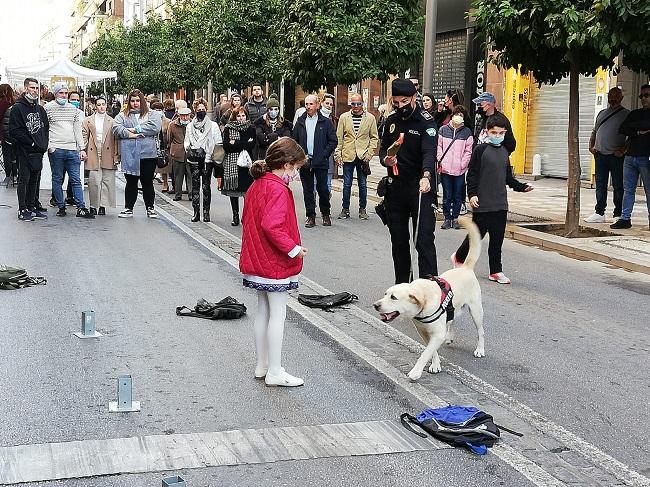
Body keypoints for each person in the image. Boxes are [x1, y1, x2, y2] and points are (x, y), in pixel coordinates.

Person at [239, 137, 308, 387]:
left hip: (256, 259)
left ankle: (263, 364)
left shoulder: (257, 184)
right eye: (297, 168)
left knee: (263, 312)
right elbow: (272, 225)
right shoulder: (279, 189)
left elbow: (250, 219)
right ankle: (275, 370)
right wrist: (293, 249)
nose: (297, 173)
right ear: (287, 165)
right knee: (278, 314)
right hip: (273, 261)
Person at [451, 113, 533, 284]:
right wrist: (472, 195)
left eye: (501, 133)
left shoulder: (504, 152)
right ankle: (458, 257)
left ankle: (495, 271)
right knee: (476, 236)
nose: (498, 136)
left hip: (500, 203)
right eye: (494, 133)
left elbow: (507, 178)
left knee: (497, 240)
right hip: (482, 202)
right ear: (487, 132)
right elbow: (472, 175)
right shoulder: (480, 150)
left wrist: (522, 187)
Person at [379, 78, 438, 284]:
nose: (401, 106)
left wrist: (427, 176)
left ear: (414, 97)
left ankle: (430, 288)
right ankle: (403, 286)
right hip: (396, 188)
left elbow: (429, 152)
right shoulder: (391, 121)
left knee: (423, 241)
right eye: (397, 102)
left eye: (405, 101)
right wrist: (386, 160)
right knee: (399, 241)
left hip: (420, 187)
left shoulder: (426, 121)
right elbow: (383, 150)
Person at [44, 82, 93, 218]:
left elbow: (77, 129)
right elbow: (45, 129)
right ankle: (61, 206)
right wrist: (49, 147)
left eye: (66, 93)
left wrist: (81, 148)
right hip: (56, 148)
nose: (64, 95)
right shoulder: (47, 108)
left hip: (72, 149)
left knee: (76, 180)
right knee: (57, 179)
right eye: (61, 93)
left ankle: (81, 207)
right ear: (55, 94)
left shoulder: (73, 109)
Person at [113, 89, 163, 219]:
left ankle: (150, 208)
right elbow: (116, 128)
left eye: (137, 101)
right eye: (132, 101)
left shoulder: (152, 114)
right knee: (131, 182)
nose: (135, 103)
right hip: (129, 153)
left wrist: (135, 129)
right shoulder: (123, 115)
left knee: (147, 181)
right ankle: (128, 207)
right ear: (129, 102)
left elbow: (155, 127)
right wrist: (132, 135)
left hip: (148, 153)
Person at [584, 87, 629, 223]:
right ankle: (599, 212)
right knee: (600, 184)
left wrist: (623, 150)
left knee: (618, 185)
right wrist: (591, 146)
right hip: (600, 155)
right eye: (611, 95)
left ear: (621, 98)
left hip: (616, 157)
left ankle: (618, 214)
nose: (613, 98)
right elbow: (594, 131)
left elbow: (631, 137)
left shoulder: (626, 114)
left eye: (616, 95)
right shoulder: (602, 113)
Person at [292, 94, 338, 227]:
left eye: (311, 104)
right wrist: (299, 156)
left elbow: (333, 141)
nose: (308, 107)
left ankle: (325, 214)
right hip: (305, 161)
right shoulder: (301, 121)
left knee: (323, 189)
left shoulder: (326, 122)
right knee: (307, 190)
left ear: (317, 105)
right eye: (306, 104)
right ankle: (310, 216)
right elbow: (294, 140)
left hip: (321, 161)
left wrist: (324, 154)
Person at [8, 78, 49, 221]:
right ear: (26, 88)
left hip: (38, 151)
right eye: (32, 88)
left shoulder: (40, 109)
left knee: (35, 180)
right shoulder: (17, 108)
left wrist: (43, 144)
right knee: (24, 179)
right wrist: (30, 143)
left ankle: (32, 207)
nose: (35, 91)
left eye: (37, 88)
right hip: (23, 150)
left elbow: (45, 129)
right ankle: (22, 209)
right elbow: (14, 131)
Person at [334, 92, 379, 220]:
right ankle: (345, 209)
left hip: (363, 155)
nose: (356, 106)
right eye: (353, 104)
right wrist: (338, 154)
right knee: (347, 184)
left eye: (358, 104)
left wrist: (370, 154)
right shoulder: (344, 117)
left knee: (363, 184)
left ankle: (362, 209)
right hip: (348, 154)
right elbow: (339, 137)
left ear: (362, 104)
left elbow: (374, 137)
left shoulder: (370, 118)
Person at [611, 84, 650, 230]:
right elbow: (623, 128)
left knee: (648, 190)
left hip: (645, 157)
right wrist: (639, 131)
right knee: (628, 189)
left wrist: (635, 127)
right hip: (630, 156)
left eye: (646, 95)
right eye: (641, 96)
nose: (643, 99)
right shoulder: (635, 113)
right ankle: (625, 218)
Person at [185, 97, 222, 223]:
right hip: (194, 160)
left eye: (203, 109)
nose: (201, 111)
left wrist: (217, 161)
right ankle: (196, 212)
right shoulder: (190, 126)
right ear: (194, 110)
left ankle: (206, 212)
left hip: (207, 159)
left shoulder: (213, 125)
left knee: (206, 187)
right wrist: (189, 149)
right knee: (195, 187)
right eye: (198, 109)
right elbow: (186, 142)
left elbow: (218, 143)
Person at [438, 105, 474, 229]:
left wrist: (463, 164)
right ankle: (447, 218)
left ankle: (456, 218)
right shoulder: (443, 130)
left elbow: (468, 151)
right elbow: (439, 147)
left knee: (458, 195)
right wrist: (440, 161)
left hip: (460, 170)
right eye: (456, 114)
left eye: (461, 115)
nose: (458, 117)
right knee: (447, 195)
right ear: (452, 116)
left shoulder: (467, 132)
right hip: (445, 169)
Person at [82, 96, 118, 216]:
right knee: (94, 181)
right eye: (99, 104)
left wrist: (117, 156)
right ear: (95, 106)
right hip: (94, 151)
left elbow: (116, 140)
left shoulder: (112, 121)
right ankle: (93, 205)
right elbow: (84, 136)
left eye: (103, 104)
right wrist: (83, 150)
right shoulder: (88, 120)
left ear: (106, 105)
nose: (101, 107)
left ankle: (103, 205)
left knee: (107, 180)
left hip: (108, 151)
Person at [222, 106, 256, 226]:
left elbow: (252, 144)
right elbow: (226, 145)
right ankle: (235, 214)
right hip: (233, 163)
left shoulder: (251, 128)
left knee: (247, 192)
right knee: (234, 192)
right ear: (234, 117)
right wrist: (244, 143)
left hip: (246, 164)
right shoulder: (228, 128)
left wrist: (235, 143)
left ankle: (246, 215)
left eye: (243, 115)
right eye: (238, 115)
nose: (241, 118)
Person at [254, 95, 292, 160]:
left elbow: (286, 140)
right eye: (271, 109)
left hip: (280, 157)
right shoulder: (261, 124)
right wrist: (276, 137)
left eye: (276, 109)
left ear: (278, 110)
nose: (273, 111)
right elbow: (261, 139)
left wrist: (269, 137)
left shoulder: (284, 125)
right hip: (265, 156)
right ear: (267, 110)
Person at [167, 106, 192, 201]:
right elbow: (169, 139)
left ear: (189, 115)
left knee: (190, 175)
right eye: (182, 116)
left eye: (186, 116)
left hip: (190, 153)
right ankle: (178, 194)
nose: (185, 118)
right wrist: (173, 149)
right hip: (177, 153)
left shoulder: (193, 124)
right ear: (179, 115)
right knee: (178, 176)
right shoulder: (172, 125)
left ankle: (191, 194)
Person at [320, 93, 338, 193]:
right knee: (314, 182)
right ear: (322, 103)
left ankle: (326, 203)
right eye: (327, 103)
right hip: (316, 152)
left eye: (331, 104)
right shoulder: (315, 116)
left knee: (328, 182)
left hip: (329, 154)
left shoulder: (334, 120)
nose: (329, 106)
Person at [156, 100, 173, 193]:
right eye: (155, 109)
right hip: (154, 146)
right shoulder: (150, 120)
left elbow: (170, 134)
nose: (157, 111)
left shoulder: (167, 122)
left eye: (159, 109)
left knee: (164, 167)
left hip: (164, 146)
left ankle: (165, 183)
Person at [1, 84, 16, 186]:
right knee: (14, 155)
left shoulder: (1, 104)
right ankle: (15, 174)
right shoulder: (15, 103)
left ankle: (8, 175)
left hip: (3, 133)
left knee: (6, 154)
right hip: (14, 134)